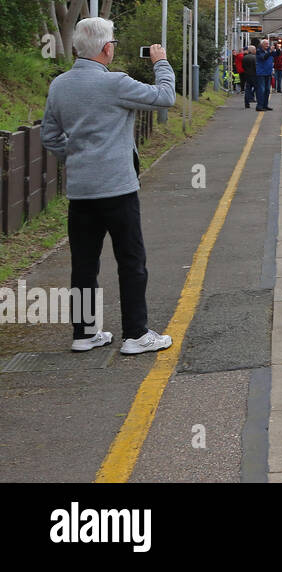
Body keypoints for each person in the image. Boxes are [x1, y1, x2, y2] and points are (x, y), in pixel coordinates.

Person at [40, 18, 175, 355]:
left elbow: (49, 136)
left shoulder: (59, 85)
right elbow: (165, 97)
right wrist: (160, 62)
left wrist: (75, 159)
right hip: (118, 188)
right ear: (106, 48)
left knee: (84, 263)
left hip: (81, 190)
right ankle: (136, 334)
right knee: (131, 260)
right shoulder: (115, 84)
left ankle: (85, 333)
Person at [254, 38, 275, 111]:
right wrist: (270, 52)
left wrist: (277, 49)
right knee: (261, 90)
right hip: (261, 73)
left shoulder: (268, 51)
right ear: (262, 45)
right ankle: (259, 106)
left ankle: (265, 105)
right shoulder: (259, 51)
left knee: (267, 90)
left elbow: (276, 55)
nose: (267, 45)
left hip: (268, 73)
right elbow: (264, 58)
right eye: (266, 44)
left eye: (268, 44)